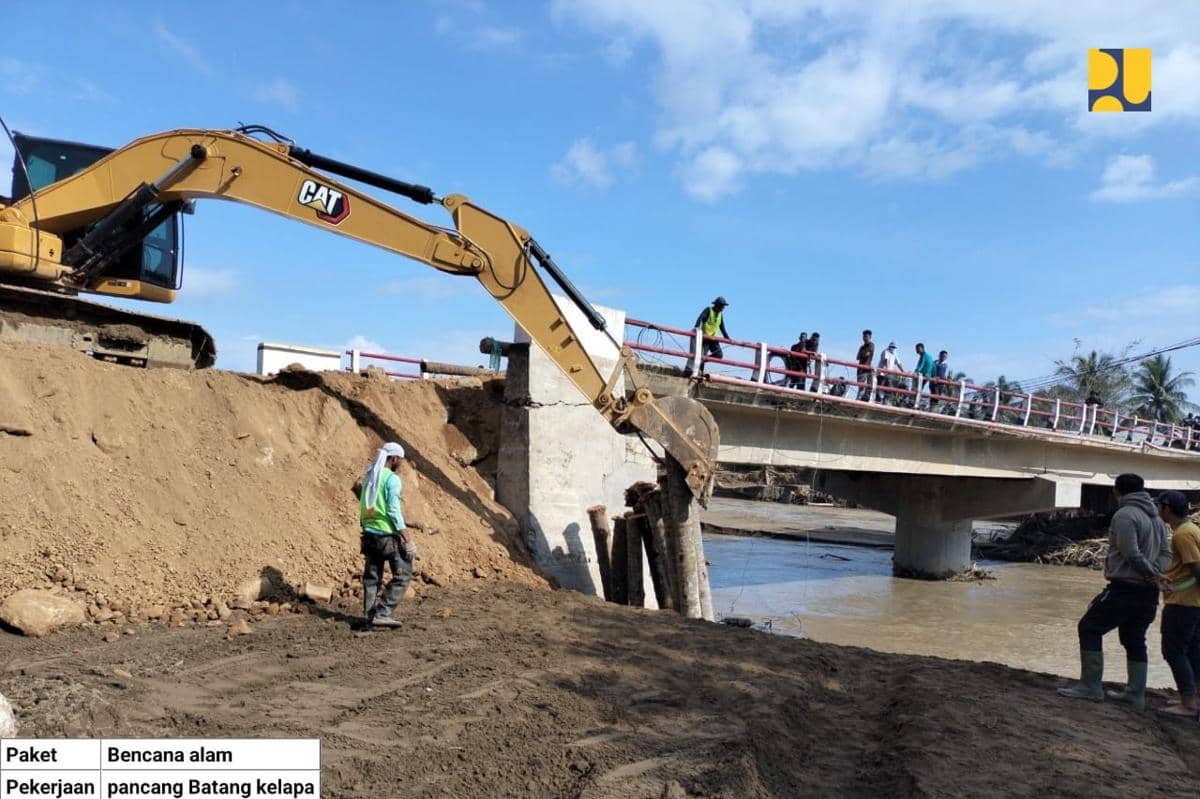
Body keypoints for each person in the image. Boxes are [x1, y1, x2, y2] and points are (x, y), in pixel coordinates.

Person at [1058, 473, 1171, 707]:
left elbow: (1131, 553)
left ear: (1117, 491)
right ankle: (1136, 693)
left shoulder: (1125, 515)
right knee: (1135, 638)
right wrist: (1155, 574)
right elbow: (1166, 553)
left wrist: (1150, 573)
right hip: (1148, 592)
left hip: (1125, 587)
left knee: (1089, 627)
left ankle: (1090, 686)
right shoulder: (1157, 519)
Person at [357, 441, 416, 628]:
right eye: (401, 460)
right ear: (395, 458)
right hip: (386, 536)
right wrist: (407, 538)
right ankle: (383, 613)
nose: (401, 464)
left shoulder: (370, 476)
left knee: (372, 577)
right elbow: (393, 511)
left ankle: (369, 617)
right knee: (404, 574)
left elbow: (364, 505)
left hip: (368, 535)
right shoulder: (391, 479)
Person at [1155, 490, 1200, 718]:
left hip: (1183, 603)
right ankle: (1194, 698)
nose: (1158, 511)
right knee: (1193, 651)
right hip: (1193, 603)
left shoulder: (1183, 534)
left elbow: (1195, 568)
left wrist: (1175, 587)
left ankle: (1188, 703)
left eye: (1159, 507)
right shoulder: (1192, 529)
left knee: (1172, 651)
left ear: (1167, 509)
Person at [684, 296, 730, 376]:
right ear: (717, 305)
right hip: (705, 337)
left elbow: (722, 326)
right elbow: (701, 318)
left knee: (719, 355)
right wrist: (697, 326)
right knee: (703, 354)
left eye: (723, 306)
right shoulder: (709, 310)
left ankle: (701, 361)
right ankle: (699, 372)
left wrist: (727, 337)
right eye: (722, 306)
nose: (723, 308)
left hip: (713, 338)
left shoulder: (720, 314)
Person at [913, 343, 934, 409]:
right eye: (916, 349)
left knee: (917, 389)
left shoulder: (924, 355)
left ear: (922, 348)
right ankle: (917, 403)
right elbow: (933, 366)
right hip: (928, 375)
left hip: (924, 375)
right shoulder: (929, 355)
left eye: (918, 349)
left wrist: (916, 372)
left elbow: (921, 365)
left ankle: (916, 405)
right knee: (919, 389)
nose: (917, 350)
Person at [855, 330, 875, 400]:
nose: (865, 338)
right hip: (861, 369)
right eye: (864, 336)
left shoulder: (871, 345)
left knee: (869, 387)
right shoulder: (862, 347)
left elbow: (867, 355)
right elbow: (857, 357)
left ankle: (863, 402)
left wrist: (863, 355)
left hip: (867, 369)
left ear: (870, 337)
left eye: (866, 336)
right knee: (861, 388)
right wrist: (863, 355)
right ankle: (857, 402)